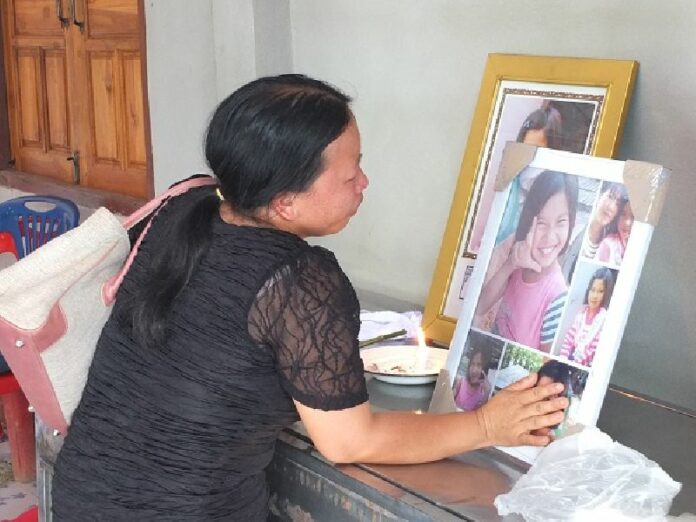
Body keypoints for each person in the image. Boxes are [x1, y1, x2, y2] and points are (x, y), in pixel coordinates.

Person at [51, 75, 568, 521]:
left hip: (82, 496)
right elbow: (348, 442)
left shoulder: (185, 208)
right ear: (284, 202)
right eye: (349, 175)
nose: (364, 183)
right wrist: (486, 423)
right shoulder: (298, 280)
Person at [477, 170, 578, 352]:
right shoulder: (519, 262)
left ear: (571, 223)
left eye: (561, 222)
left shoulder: (558, 298)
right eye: (541, 222)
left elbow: (546, 369)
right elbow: (479, 306)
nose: (549, 236)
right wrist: (510, 265)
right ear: (528, 220)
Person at [560, 268, 615, 366]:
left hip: (584, 363)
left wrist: (574, 363)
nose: (595, 296)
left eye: (600, 291)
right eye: (593, 290)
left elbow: (592, 350)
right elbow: (569, 338)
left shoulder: (602, 320)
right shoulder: (581, 314)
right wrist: (563, 358)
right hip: (571, 357)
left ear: (606, 294)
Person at [581, 182, 628, 260]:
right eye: (610, 197)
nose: (611, 207)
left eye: (618, 204)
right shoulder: (579, 225)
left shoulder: (613, 243)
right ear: (600, 194)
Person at [453, 346, 492, 411]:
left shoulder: (483, 394)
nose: (474, 370)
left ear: (484, 370)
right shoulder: (461, 382)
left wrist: (487, 393)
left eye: (479, 365)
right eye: (472, 364)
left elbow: (479, 416)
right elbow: (448, 401)